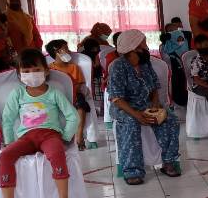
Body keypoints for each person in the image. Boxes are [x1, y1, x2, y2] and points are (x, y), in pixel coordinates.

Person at [0, 48, 79, 198]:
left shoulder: (54, 93)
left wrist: (66, 137)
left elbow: (73, 116)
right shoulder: (18, 94)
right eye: (25, 72)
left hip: (50, 135)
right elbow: (8, 119)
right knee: (4, 157)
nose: (31, 75)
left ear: (46, 70)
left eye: (35, 70)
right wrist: (9, 142)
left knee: (57, 153)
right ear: (19, 74)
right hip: (26, 137)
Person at [108, 29, 181, 184]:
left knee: (171, 119)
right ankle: (132, 170)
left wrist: (155, 105)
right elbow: (117, 98)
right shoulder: (117, 66)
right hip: (124, 107)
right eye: (143, 46)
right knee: (131, 123)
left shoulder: (145, 64)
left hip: (145, 104)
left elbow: (154, 87)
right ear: (132, 48)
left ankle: (168, 162)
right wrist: (136, 115)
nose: (147, 49)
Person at [46, 39, 91, 150]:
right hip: (55, 96)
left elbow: (80, 85)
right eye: (66, 49)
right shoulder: (49, 69)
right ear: (57, 51)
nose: (69, 52)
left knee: (81, 106)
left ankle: (79, 137)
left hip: (73, 94)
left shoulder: (74, 68)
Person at [161, 28, 190, 107]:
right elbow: (166, 62)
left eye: (182, 38)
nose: (181, 41)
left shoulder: (186, 44)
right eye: (178, 39)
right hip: (175, 73)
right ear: (172, 39)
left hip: (186, 71)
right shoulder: (166, 47)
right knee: (178, 86)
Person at [78, 36, 104, 116]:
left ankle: (97, 109)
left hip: (87, 77)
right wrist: (97, 57)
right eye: (96, 47)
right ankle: (98, 109)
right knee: (97, 94)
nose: (97, 49)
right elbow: (96, 66)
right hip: (95, 77)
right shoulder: (92, 55)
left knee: (94, 95)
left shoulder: (82, 54)